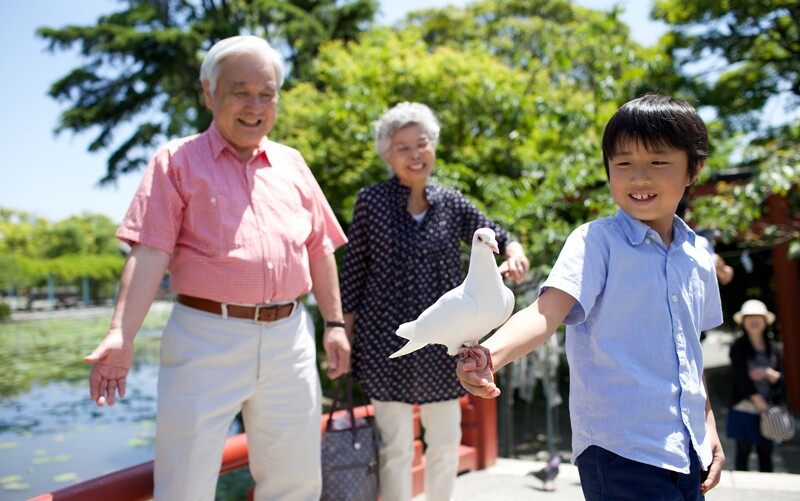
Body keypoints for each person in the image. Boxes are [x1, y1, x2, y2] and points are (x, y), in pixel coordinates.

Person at [84, 35, 350, 500]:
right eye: (239, 91)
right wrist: (120, 334)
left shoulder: (292, 163)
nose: (255, 105)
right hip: (206, 334)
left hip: (290, 336)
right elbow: (148, 252)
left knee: (297, 480)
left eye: (267, 94)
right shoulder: (176, 161)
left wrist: (332, 323)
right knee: (185, 480)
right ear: (208, 94)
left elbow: (319, 248)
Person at [457, 94, 726, 499]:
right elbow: (545, 312)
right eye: (623, 164)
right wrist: (488, 356)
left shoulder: (698, 257)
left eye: (657, 162)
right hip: (620, 449)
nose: (639, 177)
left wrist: (708, 427)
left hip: (687, 449)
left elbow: (691, 354)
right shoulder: (595, 242)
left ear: (694, 169)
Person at [340, 102, 529, 501]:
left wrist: (513, 250)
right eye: (402, 147)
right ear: (387, 155)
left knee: (444, 444)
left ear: (433, 147)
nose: (414, 154)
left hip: (448, 344)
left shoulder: (451, 202)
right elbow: (352, 274)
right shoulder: (371, 202)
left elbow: (495, 231)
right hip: (385, 341)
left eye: (421, 143)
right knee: (395, 448)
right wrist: (340, 334)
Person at [727, 299, 784, 472]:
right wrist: (760, 404)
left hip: (769, 408)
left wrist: (769, 373)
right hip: (744, 407)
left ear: (765, 321)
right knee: (743, 452)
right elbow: (741, 379)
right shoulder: (738, 347)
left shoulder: (774, 347)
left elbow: (782, 378)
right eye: (748, 316)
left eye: (758, 316)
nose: (753, 320)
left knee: (766, 454)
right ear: (743, 322)